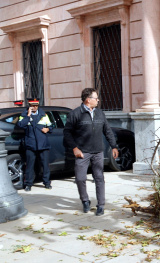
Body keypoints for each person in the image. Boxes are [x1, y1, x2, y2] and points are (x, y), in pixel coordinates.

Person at [63, 88, 118, 216]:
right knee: (80, 178)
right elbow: (67, 132)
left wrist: (114, 146)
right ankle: (85, 201)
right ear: (88, 100)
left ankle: (101, 205)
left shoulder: (100, 113)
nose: (98, 100)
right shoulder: (76, 113)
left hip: (98, 151)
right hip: (83, 152)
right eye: (96, 98)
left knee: (99, 178)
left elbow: (108, 130)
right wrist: (75, 148)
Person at [17, 98, 53, 191]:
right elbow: (20, 125)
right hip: (30, 144)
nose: (34, 107)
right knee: (29, 165)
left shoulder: (43, 115)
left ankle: (47, 183)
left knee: (45, 165)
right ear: (29, 106)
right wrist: (28, 115)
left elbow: (50, 126)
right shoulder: (24, 115)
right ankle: (28, 184)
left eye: (36, 105)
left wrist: (47, 129)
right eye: (32, 106)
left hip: (43, 144)